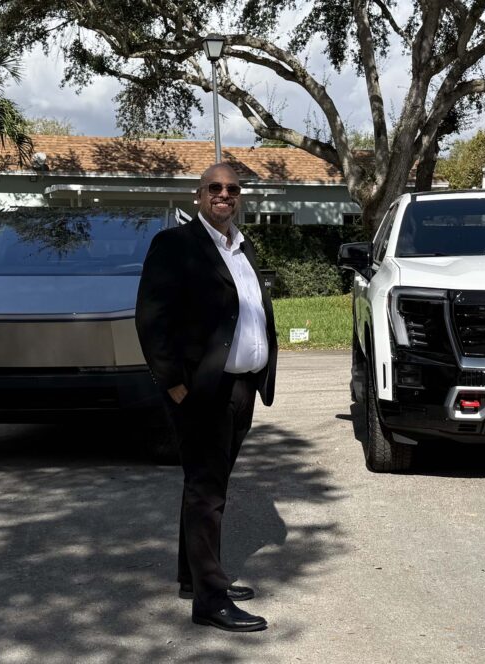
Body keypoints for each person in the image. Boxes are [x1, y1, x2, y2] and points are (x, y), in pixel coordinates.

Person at [135, 163, 277, 632]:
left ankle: (193, 578)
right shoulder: (175, 244)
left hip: (241, 386)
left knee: (208, 486)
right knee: (206, 492)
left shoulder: (242, 246)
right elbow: (151, 317)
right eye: (215, 187)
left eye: (232, 189)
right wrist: (172, 381)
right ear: (198, 195)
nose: (224, 194)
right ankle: (210, 600)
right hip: (200, 390)